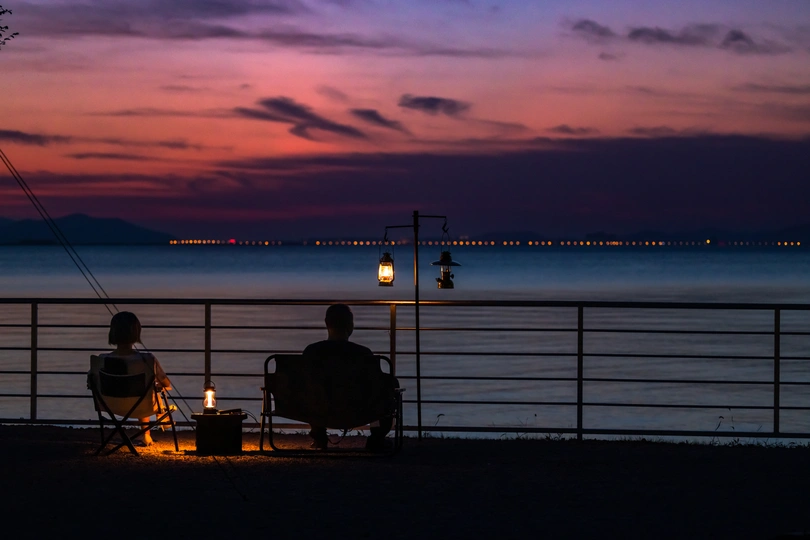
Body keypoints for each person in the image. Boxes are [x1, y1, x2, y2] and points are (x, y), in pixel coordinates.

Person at [303, 303, 396, 451]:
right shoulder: (363, 353)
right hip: (358, 410)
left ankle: (319, 438)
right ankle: (376, 439)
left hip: (320, 410)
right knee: (384, 391)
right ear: (350, 325)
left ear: (326, 323)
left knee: (315, 392)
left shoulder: (311, 352)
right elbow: (375, 388)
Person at [99, 311, 172, 446]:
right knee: (146, 391)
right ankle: (145, 434)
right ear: (137, 332)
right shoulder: (147, 360)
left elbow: (92, 384)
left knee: (140, 390)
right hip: (142, 406)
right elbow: (166, 383)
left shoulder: (101, 360)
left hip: (110, 406)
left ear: (112, 332)